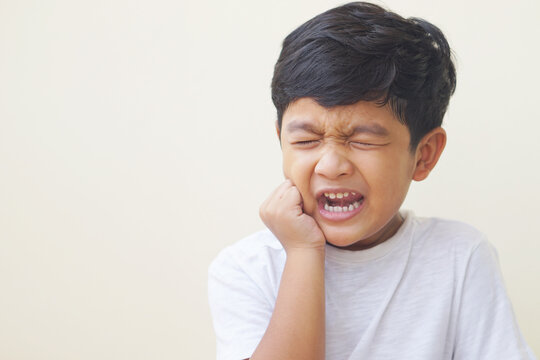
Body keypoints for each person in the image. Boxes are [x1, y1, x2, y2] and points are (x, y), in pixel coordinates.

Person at [207, 2, 536, 359]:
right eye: (305, 140)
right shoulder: (247, 268)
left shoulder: (460, 257)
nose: (331, 166)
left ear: (423, 155)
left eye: (363, 140)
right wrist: (303, 253)